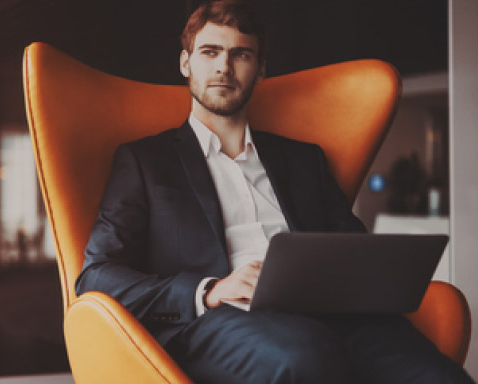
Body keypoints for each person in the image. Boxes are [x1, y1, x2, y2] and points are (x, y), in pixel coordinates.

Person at [75, 1, 474, 383]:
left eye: (241, 55)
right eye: (210, 52)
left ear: (260, 69)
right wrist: (211, 290)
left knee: (438, 377)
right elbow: (97, 276)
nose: (224, 68)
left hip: (337, 316)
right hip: (221, 321)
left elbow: (351, 246)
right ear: (186, 63)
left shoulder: (304, 160)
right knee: (305, 358)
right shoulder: (145, 162)